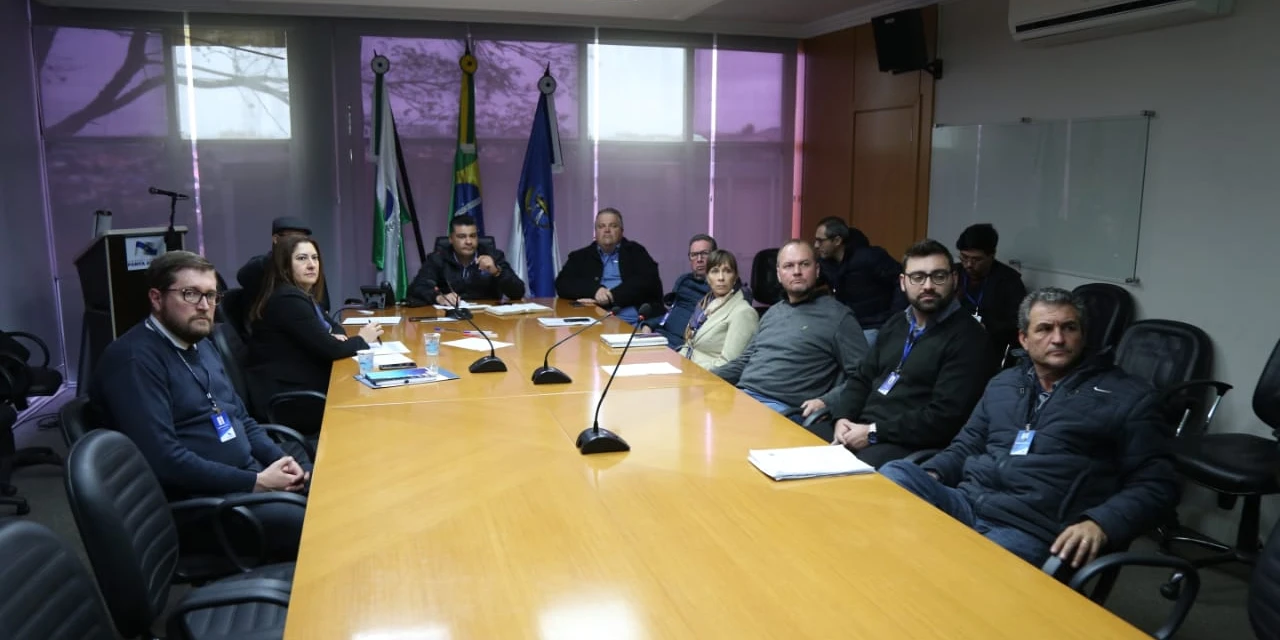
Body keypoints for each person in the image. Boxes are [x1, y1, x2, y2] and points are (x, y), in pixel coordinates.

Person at [879, 287, 1178, 568]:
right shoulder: (1005, 383)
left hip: (1031, 528)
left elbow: (1157, 484)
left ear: (1083, 335)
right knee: (895, 474)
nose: (1058, 339)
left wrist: (1101, 522)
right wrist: (934, 474)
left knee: (961, 566)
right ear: (1024, 338)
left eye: (1069, 328)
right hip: (967, 503)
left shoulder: (1128, 397)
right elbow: (967, 444)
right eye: (1045, 329)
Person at [90, 251, 309, 562]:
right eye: (190, 294)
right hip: (202, 506)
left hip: (242, 480)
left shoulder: (201, 345)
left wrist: (279, 460)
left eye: (211, 295)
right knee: (312, 523)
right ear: (156, 298)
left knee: (325, 487)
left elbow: (241, 418)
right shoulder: (133, 361)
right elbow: (165, 461)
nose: (204, 305)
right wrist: (255, 483)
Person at [826, 240, 992, 468]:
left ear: (954, 279)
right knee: (799, 444)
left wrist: (873, 432)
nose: (928, 286)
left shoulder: (969, 337)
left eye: (938, 276)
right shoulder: (897, 323)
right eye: (918, 277)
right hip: (859, 429)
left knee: (837, 475)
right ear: (903, 282)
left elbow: (945, 417)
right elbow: (862, 378)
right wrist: (842, 418)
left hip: (906, 444)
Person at [711, 241, 867, 421]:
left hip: (781, 410)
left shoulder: (839, 317)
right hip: (741, 397)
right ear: (779, 274)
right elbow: (746, 360)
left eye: (804, 264)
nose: (797, 271)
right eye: (789, 266)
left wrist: (826, 401)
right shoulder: (773, 312)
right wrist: (704, 377)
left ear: (817, 270)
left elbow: (864, 375)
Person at [245, 236, 382, 432]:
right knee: (368, 402)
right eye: (302, 258)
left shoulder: (302, 295)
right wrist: (362, 339)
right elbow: (333, 350)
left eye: (315, 258)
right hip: (290, 400)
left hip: (302, 387)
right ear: (285, 266)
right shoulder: (287, 299)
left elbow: (335, 327)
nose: (311, 265)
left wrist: (332, 336)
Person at [555, 207, 663, 325]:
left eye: (613, 226)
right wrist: (595, 291)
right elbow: (562, 283)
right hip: (592, 322)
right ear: (595, 232)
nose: (607, 230)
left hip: (631, 322)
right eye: (601, 226)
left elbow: (648, 281)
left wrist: (611, 296)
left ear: (621, 231)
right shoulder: (580, 256)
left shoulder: (636, 252)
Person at [813, 216, 902, 346]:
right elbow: (808, 283)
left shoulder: (870, 257)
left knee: (859, 353)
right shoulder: (826, 264)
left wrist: (894, 319)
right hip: (844, 325)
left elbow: (901, 281)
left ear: (837, 241)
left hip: (873, 326)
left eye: (821, 241)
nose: (816, 245)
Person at [407, 213, 526, 305]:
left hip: (487, 318)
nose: (469, 241)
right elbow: (416, 289)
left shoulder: (494, 256)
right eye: (462, 237)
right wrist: (438, 298)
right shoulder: (438, 259)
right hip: (449, 317)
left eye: (473, 236)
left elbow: (518, 292)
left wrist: (496, 272)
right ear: (451, 239)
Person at [955, 223, 1026, 369]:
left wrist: (987, 327)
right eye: (964, 257)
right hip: (953, 341)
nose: (968, 264)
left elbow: (1019, 323)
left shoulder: (1009, 281)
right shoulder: (953, 273)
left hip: (990, 347)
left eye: (976, 259)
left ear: (992, 255)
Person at [237, 216, 333, 317]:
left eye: (303, 239)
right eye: (292, 238)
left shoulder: (311, 268)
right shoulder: (261, 265)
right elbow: (242, 277)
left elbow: (323, 308)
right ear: (276, 239)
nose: (298, 243)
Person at [679, 249, 759, 369]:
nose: (721, 277)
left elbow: (728, 365)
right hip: (687, 369)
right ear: (707, 277)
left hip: (710, 377)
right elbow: (689, 344)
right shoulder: (705, 304)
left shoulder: (744, 312)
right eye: (715, 271)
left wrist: (689, 370)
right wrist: (676, 363)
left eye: (727, 271)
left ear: (735, 277)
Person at [646, 234, 716, 348]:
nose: (699, 259)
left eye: (704, 253)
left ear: (716, 256)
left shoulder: (720, 289)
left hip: (682, 346)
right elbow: (671, 313)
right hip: (661, 337)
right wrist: (648, 325)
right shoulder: (684, 280)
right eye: (694, 255)